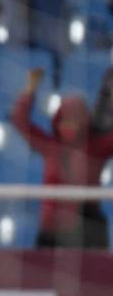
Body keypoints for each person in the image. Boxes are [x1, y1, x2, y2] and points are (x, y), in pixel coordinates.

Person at [11, 68, 113, 249]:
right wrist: (30, 88)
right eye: (64, 121)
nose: (69, 127)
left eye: (74, 121)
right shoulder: (50, 147)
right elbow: (20, 120)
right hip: (51, 228)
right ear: (57, 123)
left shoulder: (97, 148)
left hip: (87, 228)